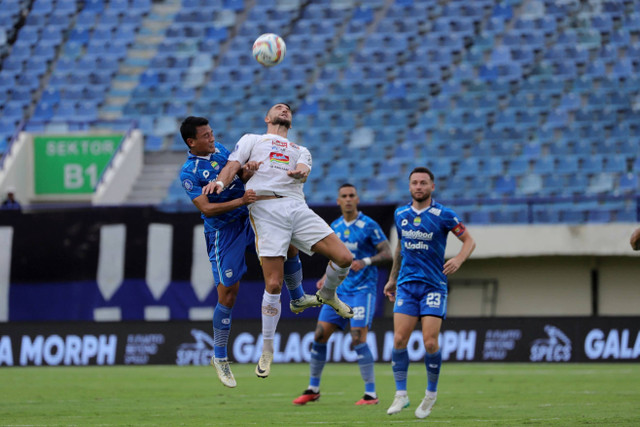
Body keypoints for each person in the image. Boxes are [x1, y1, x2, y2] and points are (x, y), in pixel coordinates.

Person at [202, 103, 355, 379]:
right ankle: (267, 349)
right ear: (267, 117)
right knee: (273, 283)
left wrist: (299, 173)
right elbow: (232, 165)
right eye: (278, 107)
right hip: (265, 209)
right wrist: (221, 184)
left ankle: (329, 294)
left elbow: (303, 168)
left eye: (287, 109)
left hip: (296, 207)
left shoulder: (301, 149)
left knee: (344, 258)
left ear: (291, 122)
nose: (284, 109)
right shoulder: (252, 140)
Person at [179, 116, 317, 388]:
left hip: (251, 212)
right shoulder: (189, 173)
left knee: (287, 238)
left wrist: (248, 171)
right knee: (228, 293)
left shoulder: (220, 151)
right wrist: (241, 198)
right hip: (224, 230)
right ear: (191, 142)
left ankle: (298, 297)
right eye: (205, 136)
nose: (212, 138)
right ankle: (219, 357)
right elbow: (206, 208)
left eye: (212, 132)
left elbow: (239, 176)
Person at [384, 167, 476, 419]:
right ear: (410, 186)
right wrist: (392, 278)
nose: (419, 186)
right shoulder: (401, 213)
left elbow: (469, 241)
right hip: (406, 286)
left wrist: (458, 258)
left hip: (433, 286)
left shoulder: (443, 214)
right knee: (399, 340)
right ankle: (401, 395)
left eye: (423, 182)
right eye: (414, 182)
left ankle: (430, 395)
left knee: (430, 342)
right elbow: (400, 248)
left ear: (432, 187)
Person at [292, 183, 392, 406]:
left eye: (351, 196)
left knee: (357, 339)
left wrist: (365, 261)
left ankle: (370, 394)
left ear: (357, 199)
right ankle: (313, 389)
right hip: (338, 291)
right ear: (338, 201)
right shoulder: (334, 226)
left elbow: (387, 252)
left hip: (362, 291)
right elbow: (334, 258)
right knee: (319, 336)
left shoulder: (369, 225)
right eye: (343, 196)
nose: (348, 199)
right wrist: (326, 279)